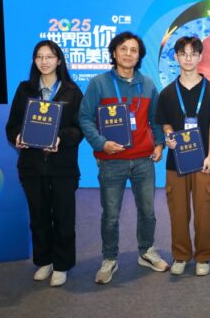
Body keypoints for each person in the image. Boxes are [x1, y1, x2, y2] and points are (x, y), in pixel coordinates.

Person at [79, 31, 168, 284]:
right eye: (123, 49)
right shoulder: (99, 83)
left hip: (143, 160)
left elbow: (155, 119)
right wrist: (101, 143)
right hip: (111, 161)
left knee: (148, 212)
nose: (128, 54)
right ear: (114, 53)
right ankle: (109, 259)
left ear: (139, 56)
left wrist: (159, 144)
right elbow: (84, 117)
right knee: (111, 215)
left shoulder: (148, 84)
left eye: (134, 50)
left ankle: (146, 251)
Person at [5, 40, 83, 287]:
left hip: (62, 166)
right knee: (38, 216)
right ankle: (44, 260)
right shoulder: (25, 89)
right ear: (34, 60)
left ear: (59, 60)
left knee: (63, 216)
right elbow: (12, 125)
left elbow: (79, 129)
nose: (44, 61)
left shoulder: (72, 91)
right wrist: (17, 137)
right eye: (39, 57)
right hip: (32, 165)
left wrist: (60, 138)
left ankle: (61, 264)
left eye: (49, 57)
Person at [155, 36, 210, 276]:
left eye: (193, 53)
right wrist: (168, 136)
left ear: (200, 57)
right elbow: (165, 123)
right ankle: (181, 255)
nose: (188, 58)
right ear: (176, 57)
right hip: (176, 162)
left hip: (203, 162)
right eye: (183, 53)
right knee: (178, 212)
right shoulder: (167, 93)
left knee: (204, 212)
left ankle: (203, 256)